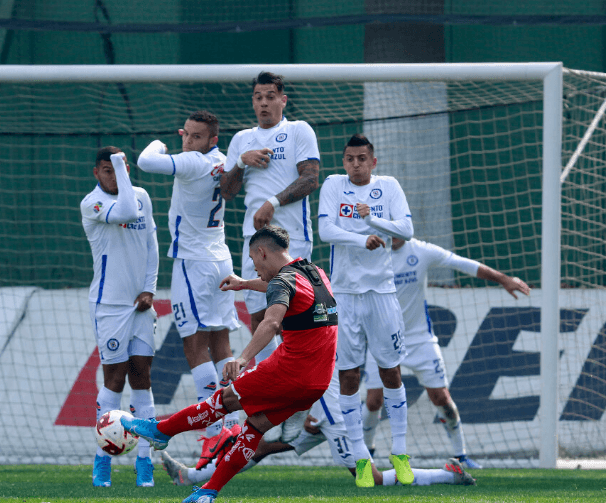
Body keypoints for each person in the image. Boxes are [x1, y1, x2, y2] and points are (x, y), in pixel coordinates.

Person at [121, 225, 338, 503]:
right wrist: (245, 283)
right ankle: (208, 493)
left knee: (223, 400)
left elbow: (271, 322)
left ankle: (160, 432)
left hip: (291, 370)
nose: (254, 267)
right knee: (255, 426)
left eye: (253, 260)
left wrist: (242, 358)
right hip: (317, 383)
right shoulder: (314, 273)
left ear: (261, 252)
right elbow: (286, 289)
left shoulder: (283, 282)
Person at [362, 237, 531, 469]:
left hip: (420, 339)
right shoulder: (372, 251)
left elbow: (463, 263)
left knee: (441, 398)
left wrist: (503, 279)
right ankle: (366, 455)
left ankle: (460, 455)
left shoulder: (421, 250)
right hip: (382, 338)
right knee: (374, 400)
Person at [218, 71, 321, 445]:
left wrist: (272, 202)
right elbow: (226, 192)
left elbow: (311, 179)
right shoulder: (242, 140)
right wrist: (241, 163)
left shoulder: (298, 131)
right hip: (253, 245)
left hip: (290, 244)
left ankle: (299, 405)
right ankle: (283, 400)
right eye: (257, 97)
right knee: (262, 322)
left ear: (283, 99)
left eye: (270, 96)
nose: (263, 102)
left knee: (293, 323)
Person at [136, 111, 243, 468]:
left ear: (212, 139)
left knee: (193, 343)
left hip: (194, 263)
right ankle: (230, 424)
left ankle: (213, 433)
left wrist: (161, 144)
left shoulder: (192, 162)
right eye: (187, 135)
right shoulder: (221, 160)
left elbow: (145, 160)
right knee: (220, 342)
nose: (189, 141)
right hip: (220, 257)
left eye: (197, 137)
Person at [160, 370, 477, 487]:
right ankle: (190, 477)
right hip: (321, 407)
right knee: (260, 446)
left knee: (371, 480)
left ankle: (449, 474)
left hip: (333, 417)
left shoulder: (305, 312)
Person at [317, 133, 415, 486]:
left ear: (373, 162)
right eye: (349, 159)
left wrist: (373, 220)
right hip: (343, 294)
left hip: (382, 293)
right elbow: (325, 230)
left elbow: (406, 228)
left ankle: (400, 453)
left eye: (362, 158)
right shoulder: (333, 185)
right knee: (348, 376)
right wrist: (362, 238)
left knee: (391, 373)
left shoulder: (388, 187)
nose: (355, 164)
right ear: (343, 161)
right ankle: (361, 457)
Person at [80, 147, 159, 488]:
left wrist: (150, 289)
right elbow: (125, 210)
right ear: (97, 173)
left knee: (142, 377)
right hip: (109, 306)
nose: (113, 175)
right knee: (114, 379)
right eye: (107, 170)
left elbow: (152, 243)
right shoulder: (92, 203)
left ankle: (146, 462)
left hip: (141, 305)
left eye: (119, 168)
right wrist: (119, 163)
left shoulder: (141, 195)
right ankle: (102, 462)